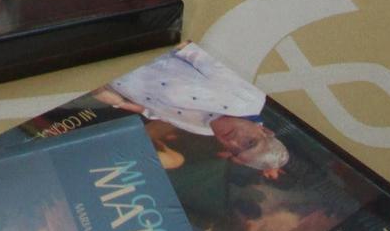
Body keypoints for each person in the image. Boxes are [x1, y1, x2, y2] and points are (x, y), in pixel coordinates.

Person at [94, 42, 289, 178]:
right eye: (249, 142)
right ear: (265, 131)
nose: (233, 142)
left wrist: (118, 102)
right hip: (128, 46)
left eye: (234, 151)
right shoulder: (250, 96)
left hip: (102, 71)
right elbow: (188, 47)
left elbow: (153, 111)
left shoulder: (205, 131)